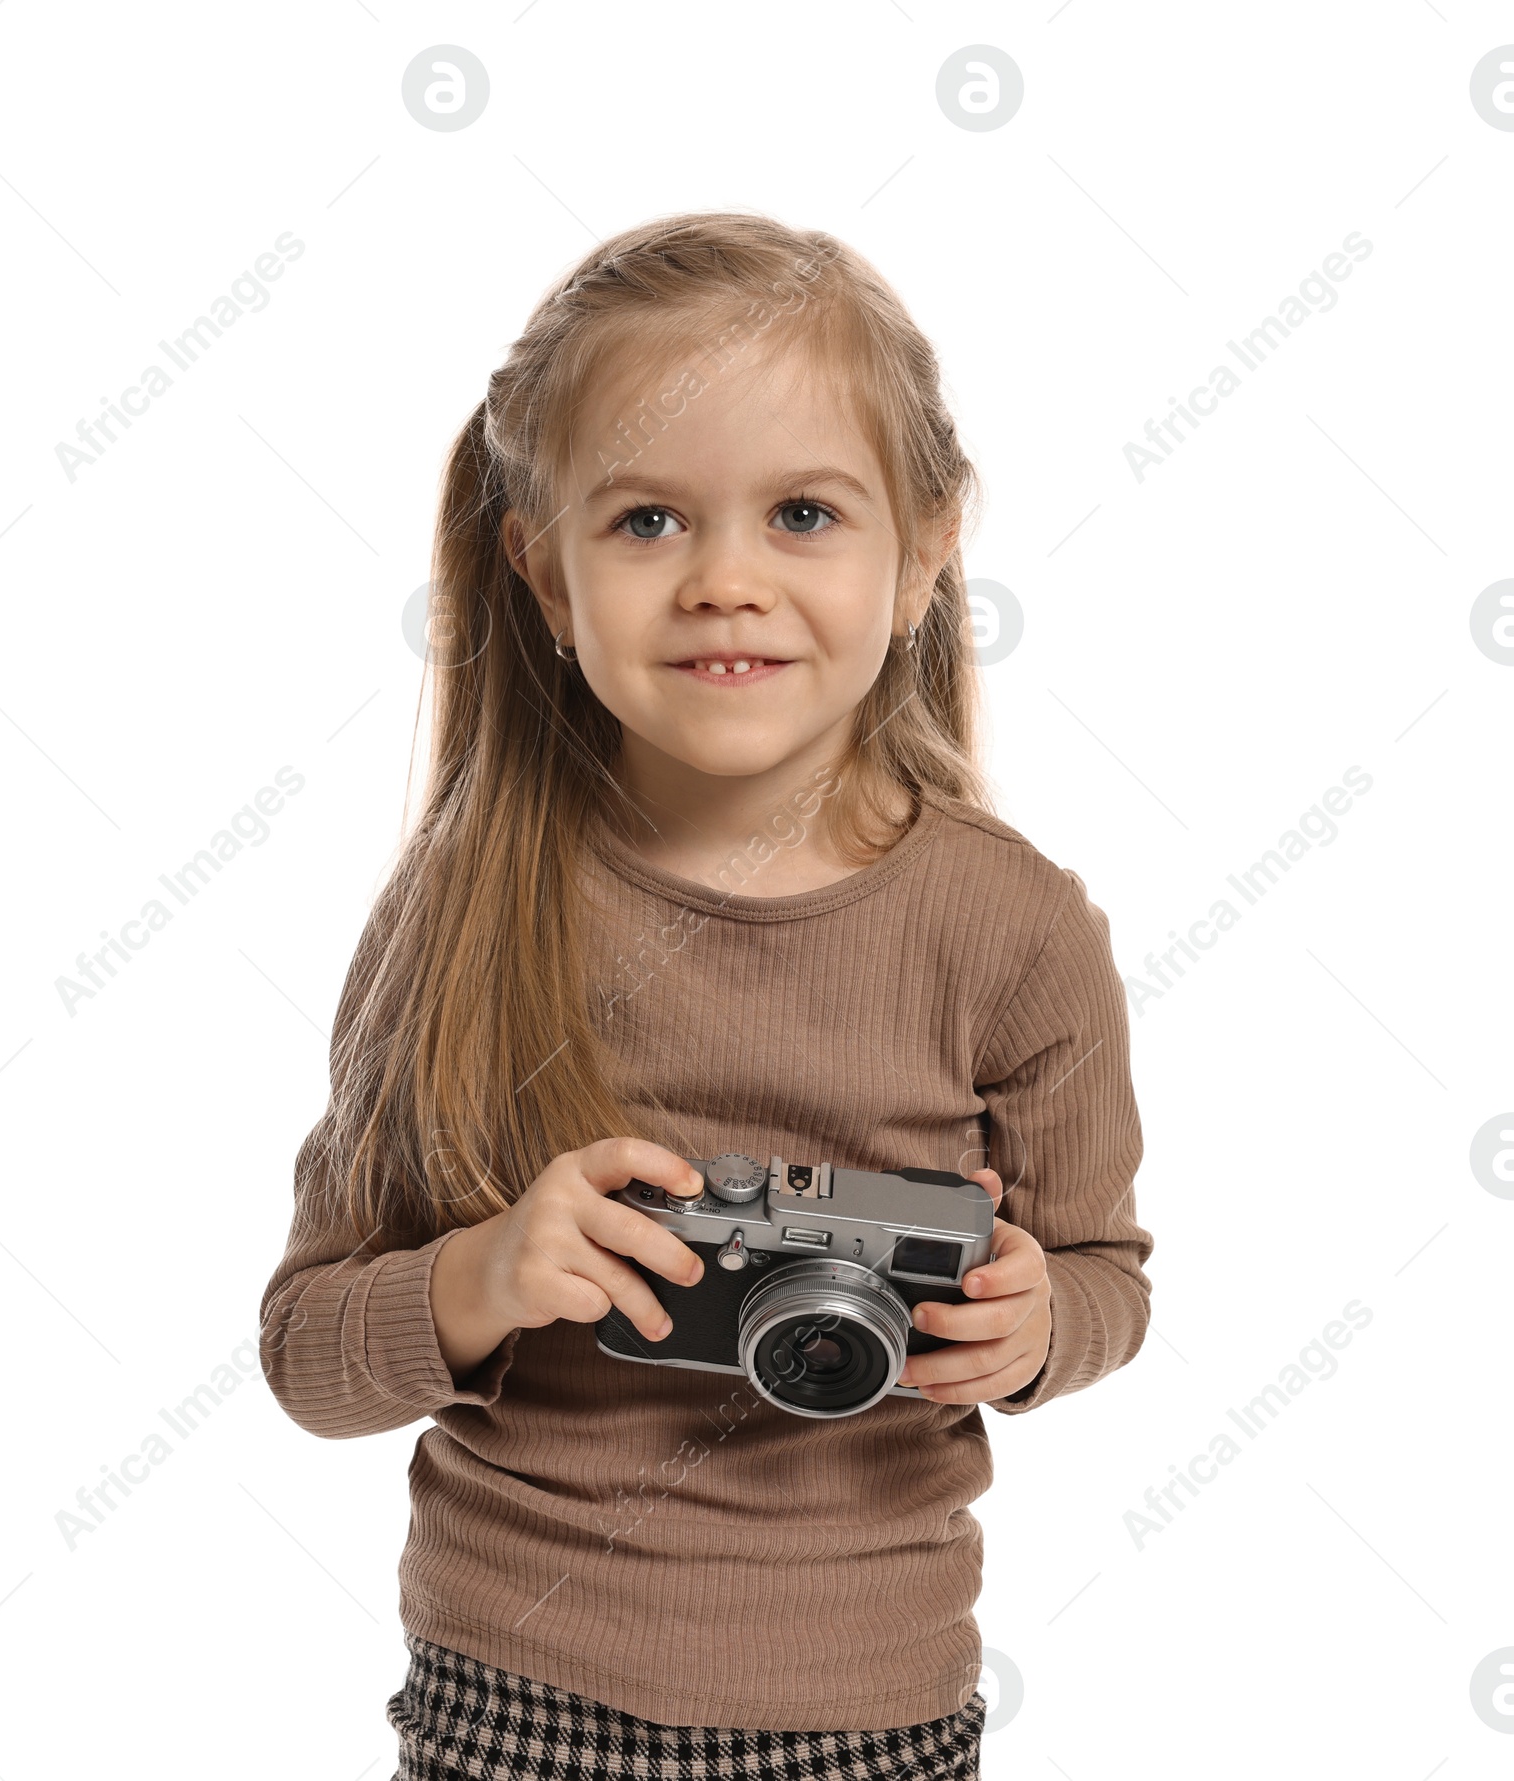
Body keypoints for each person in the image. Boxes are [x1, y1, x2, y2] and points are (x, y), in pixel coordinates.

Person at [258, 209, 1154, 1781]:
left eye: (804, 512)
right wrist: (483, 1274)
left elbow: (1108, 1284)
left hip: (870, 1700)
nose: (726, 581)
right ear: (542, 569)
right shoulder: (467, 906)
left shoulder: (1014, 928)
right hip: (507, 1689)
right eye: (650, 522)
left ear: (927, 546)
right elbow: (305, 1348)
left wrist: (1031, 1319)